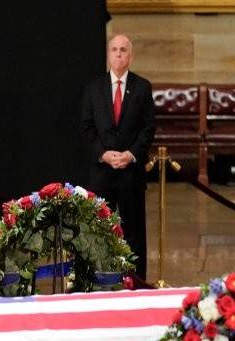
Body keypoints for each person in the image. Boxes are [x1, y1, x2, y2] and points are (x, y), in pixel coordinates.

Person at [81, 34, 155, 279]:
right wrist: (103, 154)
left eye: (123, 50)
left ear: (130, 56)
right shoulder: (94, 88)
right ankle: (102, 280)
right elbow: (87, 127)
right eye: (114, 49)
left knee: (133, 231)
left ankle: (135, 281)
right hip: (102, 172)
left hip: (131, 172)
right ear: (108, 54)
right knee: (101, 230)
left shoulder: (142, 88)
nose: (118, 54)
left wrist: (132, 154)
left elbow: (148, 128)